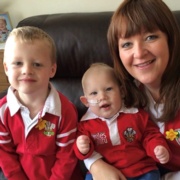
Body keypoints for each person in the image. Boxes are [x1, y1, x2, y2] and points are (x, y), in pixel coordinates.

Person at [84, 1, 180, 180]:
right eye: (127, 44)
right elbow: (90, 126)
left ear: (170, 38)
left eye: (150, 37)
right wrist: (94, 163)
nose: (139, 53)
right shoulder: (119, 92)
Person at [0, 26, 83, 180]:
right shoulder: (2, 111)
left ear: (52, 70)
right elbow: (4, 153)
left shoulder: (65, 110)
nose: (27, 70)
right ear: (6, 68)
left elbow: (67, 157)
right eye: (18, 63)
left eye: (37, 64)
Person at [74, 62, 171, 180]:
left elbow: (150, 135)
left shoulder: (136, 115)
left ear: (122, 92)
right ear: (86, 102)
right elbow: (81, 152)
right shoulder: (85, 124)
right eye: (94, 93)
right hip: (105, 173)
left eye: (108, 89)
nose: (102, 97)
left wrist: (157, 147)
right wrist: (82, 147)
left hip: (141, 170)